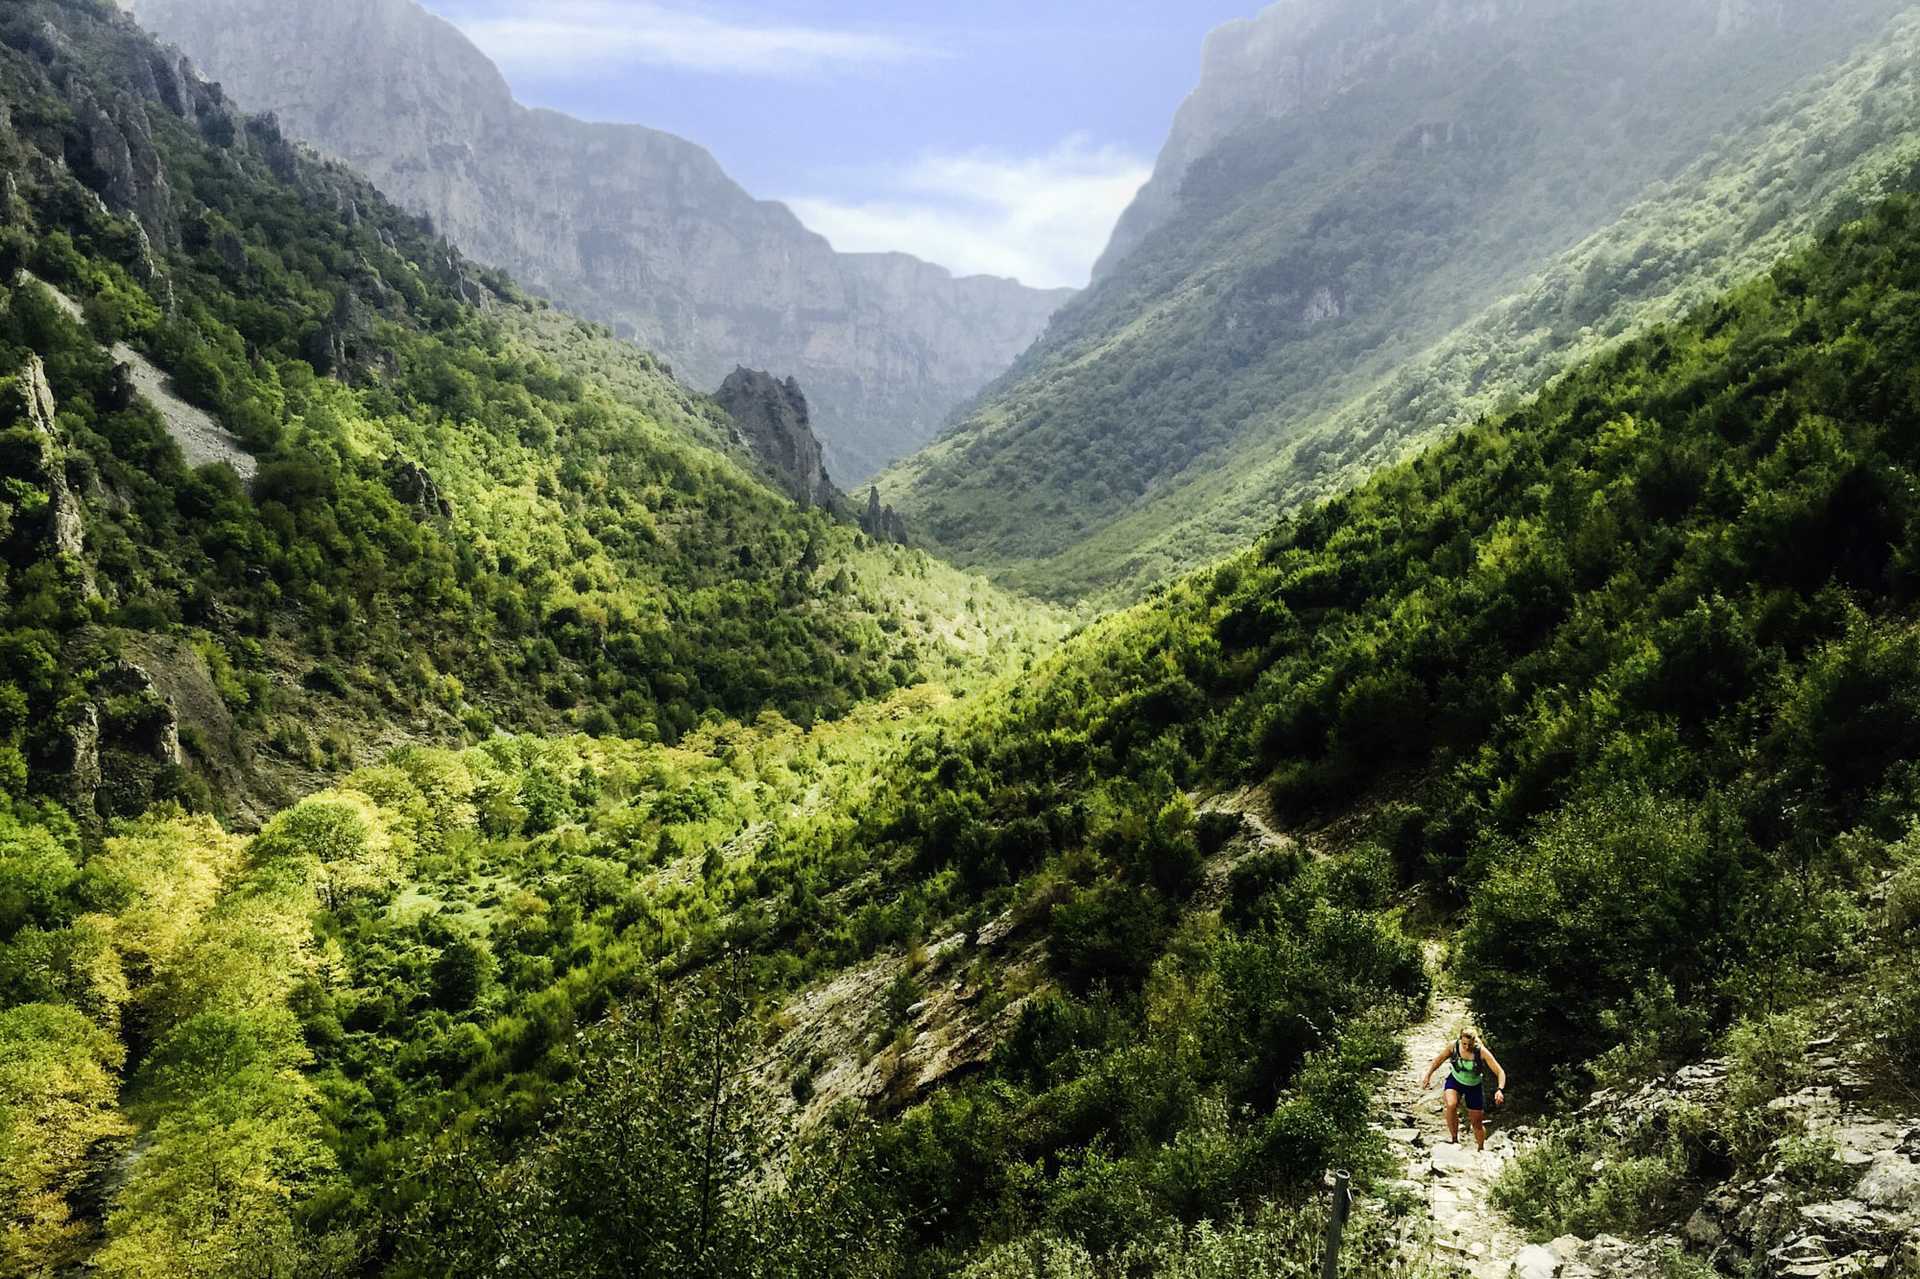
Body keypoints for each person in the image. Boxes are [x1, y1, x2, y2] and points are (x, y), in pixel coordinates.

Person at [1418, 1027, 1507, 1151]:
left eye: (1469, 1045)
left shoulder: (1481, 1051)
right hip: (1455, 1081)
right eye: (1464, 1044)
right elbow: (1438, 1060)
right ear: (1460, 1039)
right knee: (1451, 1104)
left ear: (1474, 1042)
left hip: (1474, 1086)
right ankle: (1454, 1139)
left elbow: (1500, 1072)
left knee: (1476, 1122)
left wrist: (1500, 1090)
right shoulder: (1453, 1046)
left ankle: (1481, 1148)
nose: (1466, 1047)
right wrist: (1428, 1075)